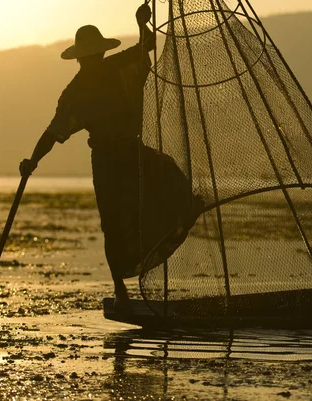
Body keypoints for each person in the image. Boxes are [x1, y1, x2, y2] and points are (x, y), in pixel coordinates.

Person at [20, 4, 201, 311]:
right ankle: (121, 291)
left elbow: (148, 44)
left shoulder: (115, 68)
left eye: (94, 56)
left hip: (131, 151)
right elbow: (54, 132)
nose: (93, 60)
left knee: (166, 181)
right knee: (113, 226)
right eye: (90, 57)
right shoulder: (76, 91)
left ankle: (185, 214)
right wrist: (32, 161)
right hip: (107, 161)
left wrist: (141, 23)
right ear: (83, 59)